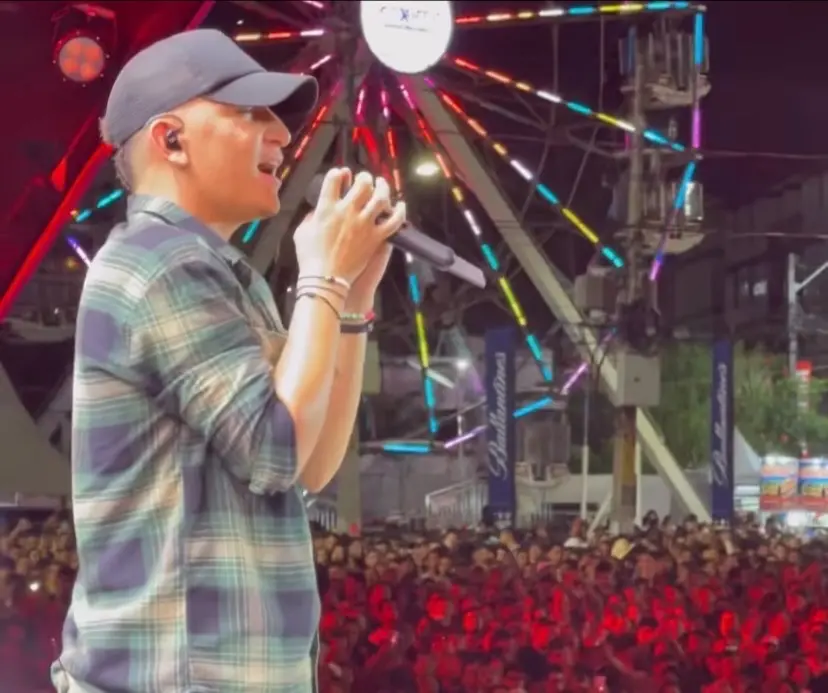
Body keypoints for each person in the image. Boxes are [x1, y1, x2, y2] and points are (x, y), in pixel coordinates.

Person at [53, 28, 405, 693]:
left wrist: (352, 300)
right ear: (171, 140)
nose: (282, 134)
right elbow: (277, 451)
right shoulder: (157, 263)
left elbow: (311, 464)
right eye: (250, 112)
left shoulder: (224, 276)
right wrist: (324, 275)